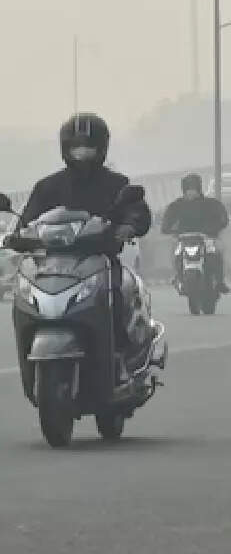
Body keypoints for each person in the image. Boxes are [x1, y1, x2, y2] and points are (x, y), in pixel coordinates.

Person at [16, 114, 152, 370]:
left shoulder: (117, 184)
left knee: (119, 295)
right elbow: (27, 221)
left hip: (99, 260)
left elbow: (136, 210)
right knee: (23, 299)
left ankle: (124, 357)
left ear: (101, 149)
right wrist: (17, 235)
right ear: (65, 149)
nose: (82, 154)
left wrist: (129, 226)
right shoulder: (47, 187)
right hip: (51, 264)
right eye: (76, 148)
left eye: (89, 148)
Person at [161, 173, 231, 293]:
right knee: (175, 251)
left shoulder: (211, 203)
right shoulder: (176, 205)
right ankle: (178, 276)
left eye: (193, 189)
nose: (191, 192)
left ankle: (219, 281)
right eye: (188, 189)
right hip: (183, 238)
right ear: (184, 190)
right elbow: (167, 220)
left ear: (199, 189)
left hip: (207, 237)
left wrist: (216, 228)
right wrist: (167, 228)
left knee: (217, 251)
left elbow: (222, 217)